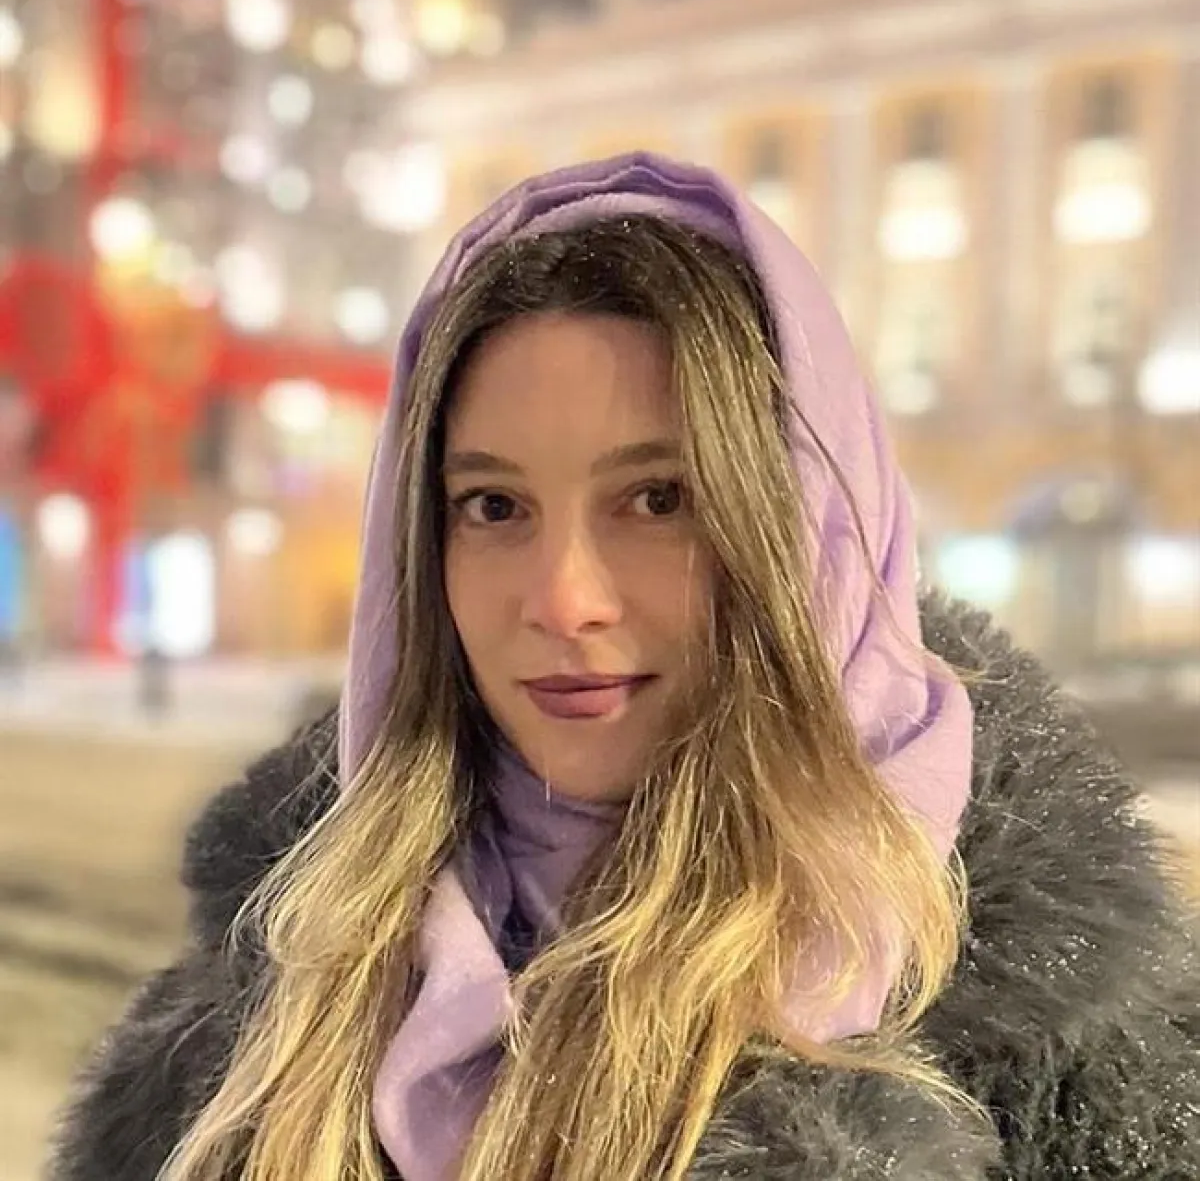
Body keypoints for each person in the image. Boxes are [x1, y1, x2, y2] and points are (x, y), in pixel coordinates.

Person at [50, 154, 1197, 1181]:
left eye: (658, 499)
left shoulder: (1077, 1057)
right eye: (493, 506)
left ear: (804, 537)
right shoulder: (267, 1004)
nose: (564, 601)